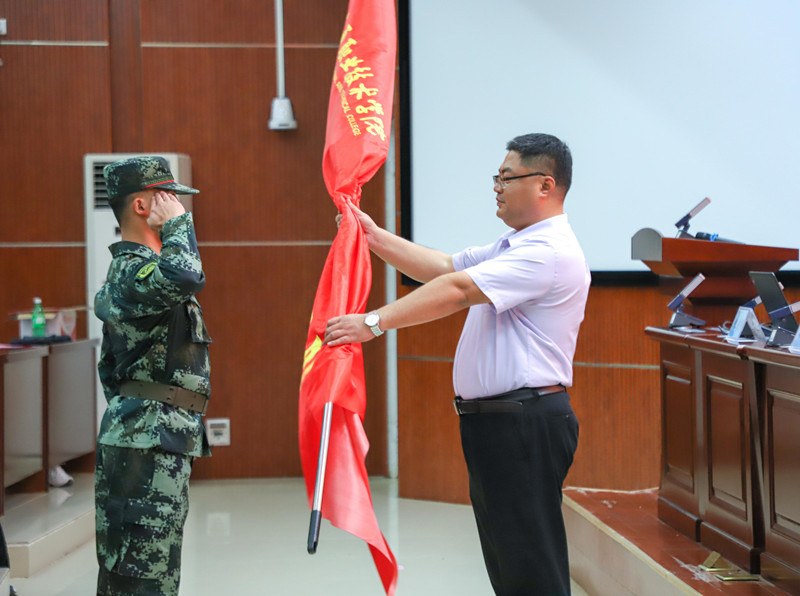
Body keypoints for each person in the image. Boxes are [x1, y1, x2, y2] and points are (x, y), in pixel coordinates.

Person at [324, 133, 590, 595]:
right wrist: (370, 235)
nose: (497, 187)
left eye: (507, 177)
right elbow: (446, 267)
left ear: (545, 185)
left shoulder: (546, 251)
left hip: (523, 421)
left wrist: (373, 322)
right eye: (497, 177)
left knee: (530, 566)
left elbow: (458, 290)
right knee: (509, 564)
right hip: (500, 422)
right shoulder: (515, 244)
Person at [94, 156, 212, 595]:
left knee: (155, 572)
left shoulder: (145, 272)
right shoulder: (132, 272)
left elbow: (110, 368)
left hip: (155, 435)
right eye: (169, 198)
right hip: (145, 438)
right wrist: (178, 226)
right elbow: (186, 275)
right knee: (138, 576)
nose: (179, 206)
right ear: (143, 206)